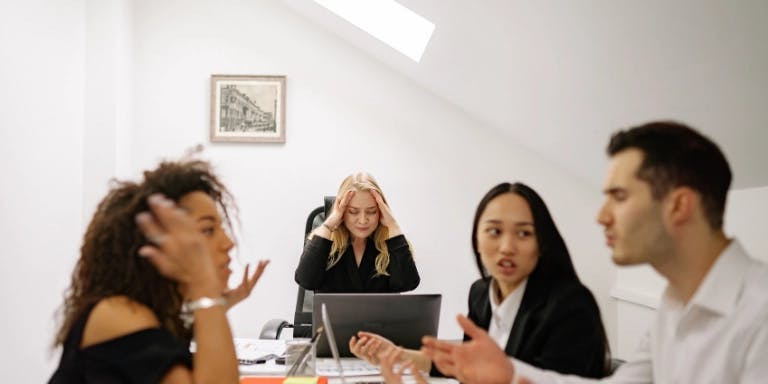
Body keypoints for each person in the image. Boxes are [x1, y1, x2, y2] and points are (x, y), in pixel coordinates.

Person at [421, 121, 768, 383]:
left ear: (679, 206)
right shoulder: (675, 306)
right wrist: (510, 374)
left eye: (618, 197)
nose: (601, 216)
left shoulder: (759, 314)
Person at [351, 182, 609, 378]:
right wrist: (397, 354)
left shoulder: (571, 307)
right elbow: (465, 367)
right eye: (494, 232)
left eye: (524, 233)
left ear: (542, 243)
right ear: (477, 239)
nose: (507, 247)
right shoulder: (482, 293)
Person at [49, 158, 270, 383]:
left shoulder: (157, 316)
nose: (228, 243)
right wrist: (206, 289)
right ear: (154, 246)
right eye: (207, 230)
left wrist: (218, 305)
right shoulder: (116, 314)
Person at [294, 172, 419, 293]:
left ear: (381, 211)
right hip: (334, 315)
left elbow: (407, 283)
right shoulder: (324, 241)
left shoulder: (391, 243)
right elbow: (306, 281)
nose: (363, 220)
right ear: (341, 211)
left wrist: (393, 226)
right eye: (353, 212)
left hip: (381, 315)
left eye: (371, 211)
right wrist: (328, 226)